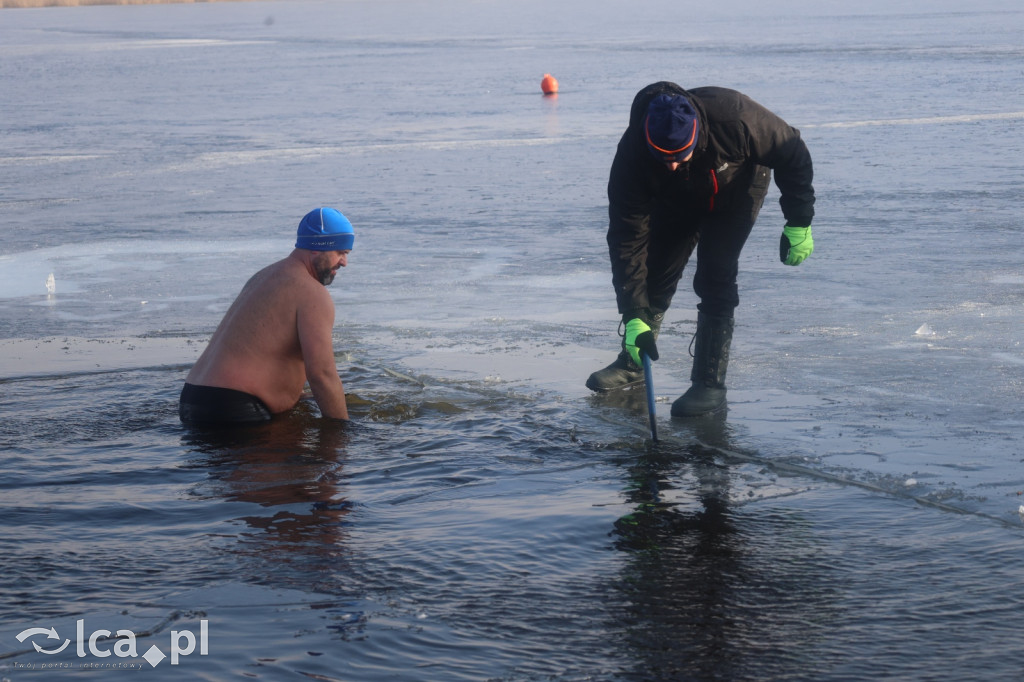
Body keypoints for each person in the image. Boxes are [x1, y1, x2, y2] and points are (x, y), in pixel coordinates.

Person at [587, 81, 816, 416]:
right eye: (663, 157)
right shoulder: (633, 156)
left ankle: (709, 383)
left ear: (694, 137)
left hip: (737, 188)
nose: (672, 164)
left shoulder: (735, 118)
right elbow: (626, 236)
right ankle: (634, 361)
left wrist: (799, 220)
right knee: (655, 270)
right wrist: (633, 313)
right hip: (677, 197)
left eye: (679, 155)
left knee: (715, 274)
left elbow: (791, 149)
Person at [179, 207, 354, 426]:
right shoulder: (312, 293)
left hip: (193, 399)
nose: (344, 262)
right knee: (331, 442)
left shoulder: (264, 276)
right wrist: (341, 430)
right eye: (340, 252)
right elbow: (322, 374)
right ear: (317, 248)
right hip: (236, 407)